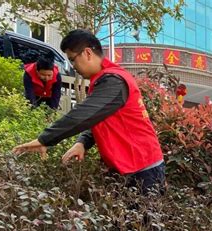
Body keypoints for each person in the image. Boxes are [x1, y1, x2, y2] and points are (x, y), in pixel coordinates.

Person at [13, 29, 165, 194]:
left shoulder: (114, 81)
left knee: (142, 220)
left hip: (143, 169)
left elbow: (83, 115)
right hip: (128, 166)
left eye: (73, 60)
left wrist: (44, 139)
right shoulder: (104, 79)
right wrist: (82, 143)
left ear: (87, 53)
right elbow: (99, 118)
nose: (73, 66)